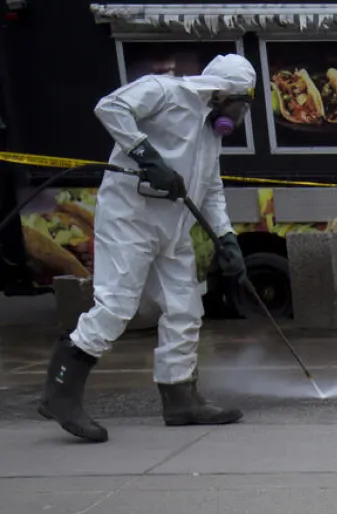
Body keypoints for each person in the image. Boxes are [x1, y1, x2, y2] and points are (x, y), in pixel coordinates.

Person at [39, 53, 257, 443]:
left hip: (173, 230)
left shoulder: (210, 134)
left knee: (185, 310)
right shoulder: (165, 91)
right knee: (117, 305)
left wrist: (226, 237)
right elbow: (110, 107)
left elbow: (211, 189)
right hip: (130, 219)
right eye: (239, 103)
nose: (239, 115)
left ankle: (180, 400)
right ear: (220, 92)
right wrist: (146, 155)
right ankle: (60, 393)